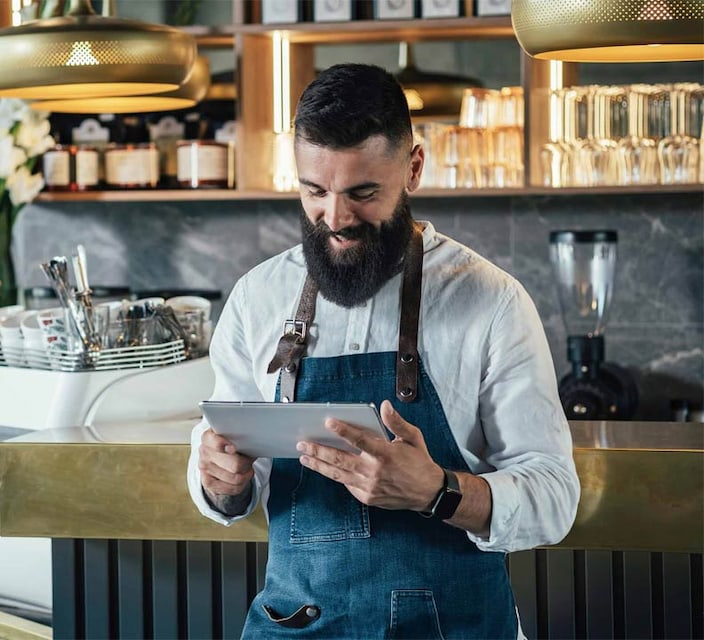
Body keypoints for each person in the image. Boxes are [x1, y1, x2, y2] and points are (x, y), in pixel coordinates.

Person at [186, 63, 580, 638]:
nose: (336, 219)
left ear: (413, 167)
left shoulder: (492, 301)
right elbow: (229, 460)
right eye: (314, 191)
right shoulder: (257, 296)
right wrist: (220, 481)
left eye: (363, 193)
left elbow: (554, 495)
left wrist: (439, 492)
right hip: (298, 624)